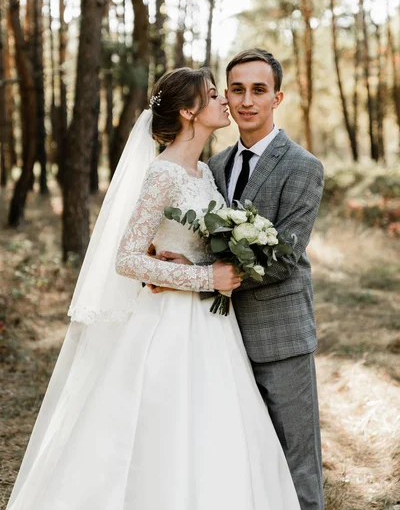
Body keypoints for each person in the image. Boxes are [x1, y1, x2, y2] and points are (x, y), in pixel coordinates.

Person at [6, 66, 300, 510]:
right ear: (188, 111)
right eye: (214, 95)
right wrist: (205, 277)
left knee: (216, 426)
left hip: (211, 327)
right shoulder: (163, 173)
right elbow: (126, 258)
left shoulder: (203, 173)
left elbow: (184, 244)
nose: (226, 101)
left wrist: (201, 263)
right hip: (167, 325)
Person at [155, 50, 325, 510]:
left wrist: (204, 277)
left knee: (295, 461)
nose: (246, 100)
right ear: (226, 97)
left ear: (277, 97)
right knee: (240, 459)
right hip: (215, 340)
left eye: (258, 90)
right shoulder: (214, 165)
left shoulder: (303, 167)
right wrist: (170, 256)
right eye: (236, 89)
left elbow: (286, 257)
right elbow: (196, 237)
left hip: (278, 334)